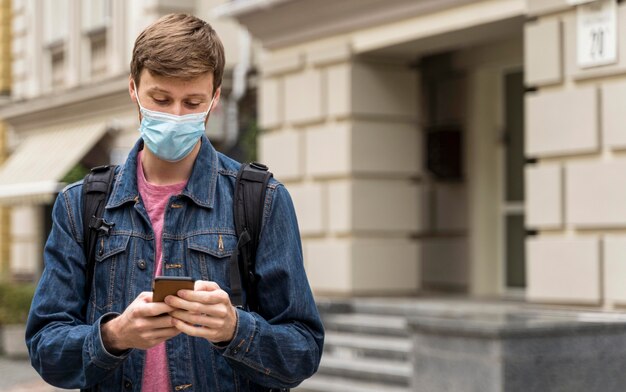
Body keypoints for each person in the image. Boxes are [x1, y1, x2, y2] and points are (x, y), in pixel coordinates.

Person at [25, 13, 324, 392]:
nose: (175, 116)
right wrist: (115, 336)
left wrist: (235, 329)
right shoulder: (80, 204)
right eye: (161, 99)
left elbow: (303, 351)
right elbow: (45, 348)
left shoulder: (262, 199)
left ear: (215, 99)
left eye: (192, 101)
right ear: (134, 89)